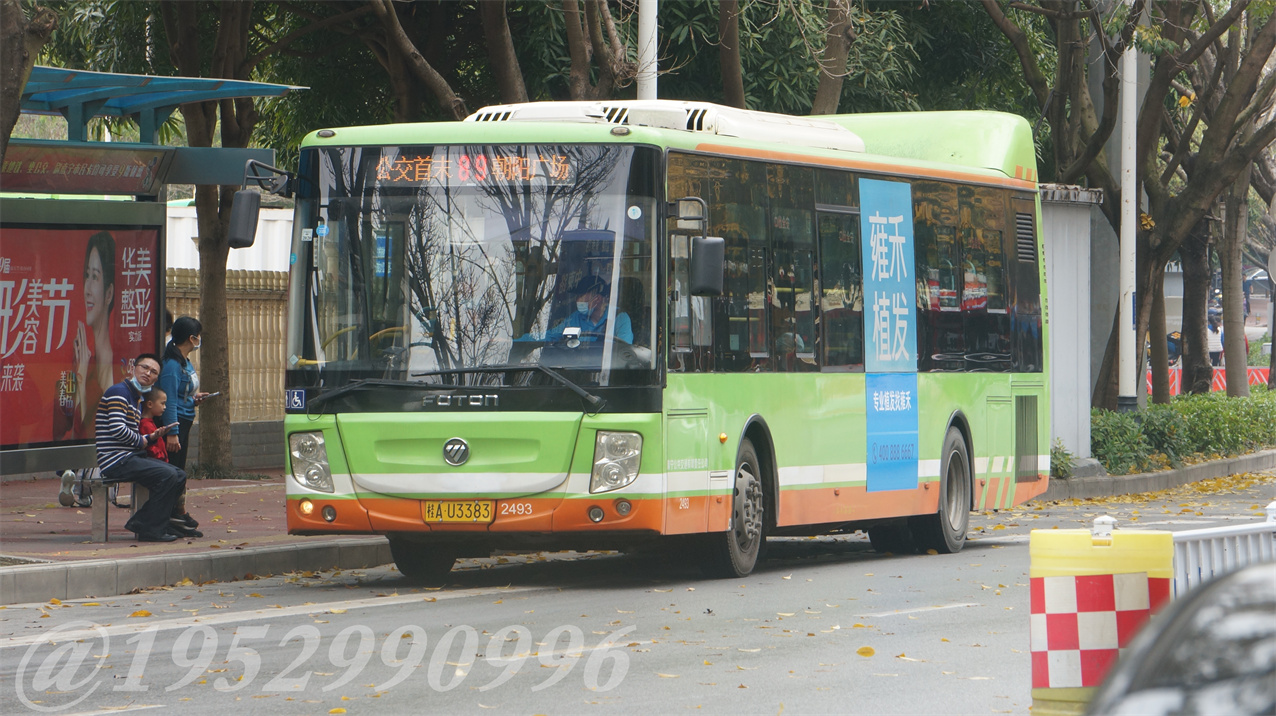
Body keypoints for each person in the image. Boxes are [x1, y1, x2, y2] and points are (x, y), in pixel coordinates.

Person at [95, 353, 187, 542]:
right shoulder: (119, 392)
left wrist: (151, 437)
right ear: (133, 368)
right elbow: (117, 428)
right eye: (144, 367)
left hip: (129, 456)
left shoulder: (136, 398)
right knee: (168, 475)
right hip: (115, 460)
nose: (148, 373)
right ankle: (148, 527)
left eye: (153, 372)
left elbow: (132, 436)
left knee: (179, 475)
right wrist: (142, 441)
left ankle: (151, 522)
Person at [55, 231, 117, 441]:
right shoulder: (81, 356)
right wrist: (76, 375)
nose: (87, 288)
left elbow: (89, 432)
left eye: (95, 277)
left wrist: (81, 377)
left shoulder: (117, 367)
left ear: (109, 293)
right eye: (87, 275)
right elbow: (61, 427)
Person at [138, 387, 203, 538]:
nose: (165, 407)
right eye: (162, 404)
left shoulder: (151, 423)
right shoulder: (145, 424)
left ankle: (174, 518)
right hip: (156, 463)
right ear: (150, 404)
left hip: (161, 461)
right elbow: (151, 448)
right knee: (171, 479)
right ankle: (161, 520)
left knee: (178, 476)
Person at [544, 276, 633, 344]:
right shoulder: (576, 317)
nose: (577, 300)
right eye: (577, 297)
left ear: (597, 299)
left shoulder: (620, 318)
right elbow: (550, 336)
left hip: (606, 363)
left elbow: (624, 349)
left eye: (581, 296)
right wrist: (535, 339)